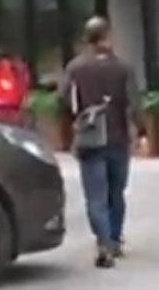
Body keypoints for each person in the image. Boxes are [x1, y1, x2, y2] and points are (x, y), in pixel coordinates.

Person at [62, 16, 146, 269]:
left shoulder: (75, 68)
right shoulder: (123, 68)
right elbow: (134, 103)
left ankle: (103, 241)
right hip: (117, 136)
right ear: (108, 37)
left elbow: (64, 100)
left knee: (95, 196)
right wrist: (140, 131)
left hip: (89, 138)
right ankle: (115, 239)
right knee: (116, 192)